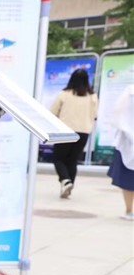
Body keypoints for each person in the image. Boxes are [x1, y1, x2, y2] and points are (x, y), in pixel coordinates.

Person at [50, 69, 98, 198]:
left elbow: (53, 112)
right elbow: (94, 115)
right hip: (83, 132)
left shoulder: (64, 94)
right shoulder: (92, 96)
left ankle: (65, 181)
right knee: (72, 160)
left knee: (58, 159)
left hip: (64, 130)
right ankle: (68, 186)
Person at [106, 84, 134, 220]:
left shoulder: (130, 91)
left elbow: (118, 115)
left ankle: (129, 211)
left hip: (127, 142)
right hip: (127, 142)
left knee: (128, 178)